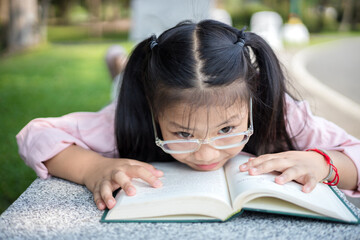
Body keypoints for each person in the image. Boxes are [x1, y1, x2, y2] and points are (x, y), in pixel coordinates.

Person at [16, 20, 360, 211]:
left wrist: (324, 164)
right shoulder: (126, 117)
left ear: (252, 104)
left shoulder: (281, 113)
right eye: (182, 134)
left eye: (228, 128)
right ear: (153, 113)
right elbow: (36, 134)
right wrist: (93, 168)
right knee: (123, 83)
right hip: (131, 91)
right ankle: (119, 67)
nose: (207, 153)